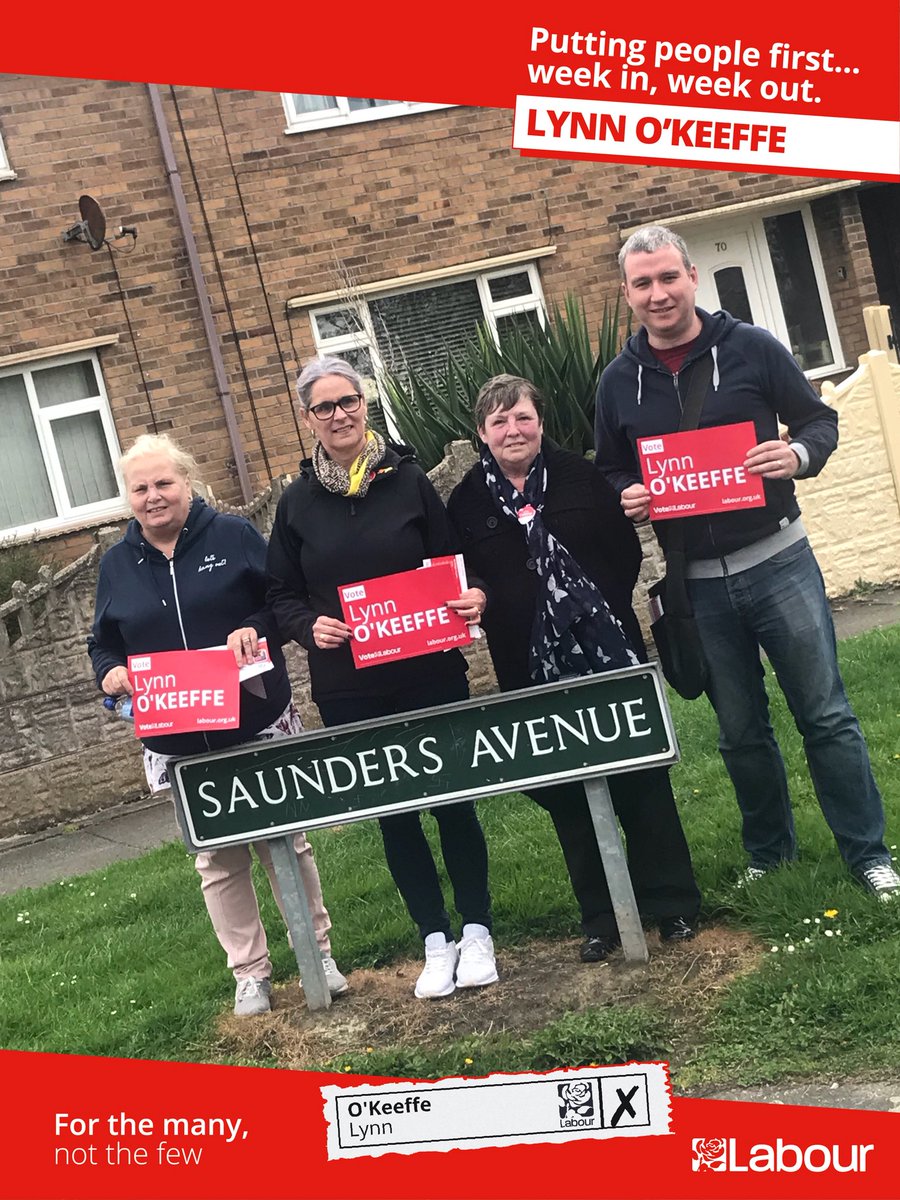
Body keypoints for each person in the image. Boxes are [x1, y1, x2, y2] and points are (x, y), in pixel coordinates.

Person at [595, 223, 899, 898]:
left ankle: (869, 855)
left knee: (825, 714)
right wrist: (628, 492)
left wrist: (795, 456)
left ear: (692, 276)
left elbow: (820, 422)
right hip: (696, 586)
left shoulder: (753, 348)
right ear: (626, 293)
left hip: (779, 561)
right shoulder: (618, 382)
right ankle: (771, 854)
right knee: (739, 732)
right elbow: (611, 466)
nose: (658, 293)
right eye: (642, 283)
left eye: (668, 277)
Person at [88, 433, 348, 1016]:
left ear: (187, 482)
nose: (154, 497)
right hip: (178, 737)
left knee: (285, 840)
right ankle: (250, 975)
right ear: (127, 497)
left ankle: (318, 953)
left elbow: (283, 603)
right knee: (218, 859)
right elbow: (102, 644)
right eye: (141, 488)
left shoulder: (232, 536)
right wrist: (109, 676)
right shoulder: (116, 564)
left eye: (164, 483)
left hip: (253, 717)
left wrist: (253, 625)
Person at [447, 374, 701, 962]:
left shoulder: (582, 477)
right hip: (526, 664)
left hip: (609, 655)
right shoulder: (466, 502)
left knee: (641, 776)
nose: (513, 430)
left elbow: (626, 550)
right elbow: (462, 575)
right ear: (482, 433)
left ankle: (673, 905)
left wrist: (588, 613)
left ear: (541, 421)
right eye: (499, 421)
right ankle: (602, 917)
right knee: (566, 787)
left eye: (522, 417)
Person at [265, 356, 497, 999]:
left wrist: (471, 594)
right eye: (325, 407)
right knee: (395, 812)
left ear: (365, 406)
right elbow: (279, 593)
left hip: (429, 668)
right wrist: (310, 625)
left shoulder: (409, 481)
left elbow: (452, 562)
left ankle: (476, 930)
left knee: (453, 798)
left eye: (350, 402)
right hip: (349, 684)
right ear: (307, 418)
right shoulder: (296, 503)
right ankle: (433, 938)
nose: (339, 415)